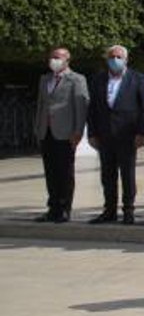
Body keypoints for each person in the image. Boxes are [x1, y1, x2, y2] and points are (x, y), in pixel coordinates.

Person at [86, 45, 144, 225]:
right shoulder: (98, 79)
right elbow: (92, 109)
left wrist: (142, 132)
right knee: (107, 175)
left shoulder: (137, 78)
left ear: (126, 60)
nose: (115, 60)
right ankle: (109, 210)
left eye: (119, 57)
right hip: (105, 135)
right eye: (112, 56)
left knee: (127, 174)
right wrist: (92, 133)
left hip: (127, 134)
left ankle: (128, 209)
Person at [33, 47, 89, 223]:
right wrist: (37, 128)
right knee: (50, 171)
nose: (53, 60)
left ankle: (64, 208)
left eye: (57, 58)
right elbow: (41, 104)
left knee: (65, 172)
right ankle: (53, 207)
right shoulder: (45, 79)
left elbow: (81, 106)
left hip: (65, 132)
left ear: (67, 60)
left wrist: (78, 131)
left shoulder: (77, 79)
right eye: (51, 57)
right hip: (46, 131)